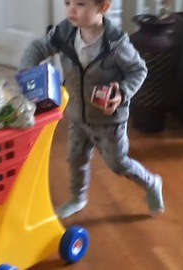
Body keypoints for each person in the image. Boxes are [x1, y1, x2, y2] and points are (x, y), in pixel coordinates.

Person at [18, 0, 164, 218]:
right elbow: (38, 47)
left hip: (109, 121)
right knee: (75, 158)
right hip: (77, 116)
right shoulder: (64, 33)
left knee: (118, 164)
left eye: (80, 4)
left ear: (102, 7)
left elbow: (138, 70)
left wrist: (122, 92)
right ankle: (78, 197)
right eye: (67, 2)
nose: (71, 10)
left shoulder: (115, 43)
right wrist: (26, 72)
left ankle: (152, 182)